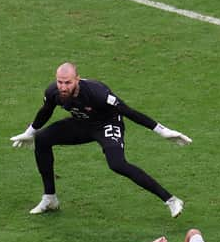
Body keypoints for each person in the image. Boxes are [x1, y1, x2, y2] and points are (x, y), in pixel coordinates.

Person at [10, 62, 191, 217]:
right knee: (41, 139)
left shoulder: (98, 93)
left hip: (107, 124)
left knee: (117, 164)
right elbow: (46, 111)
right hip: (81, 124)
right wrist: (30, 131)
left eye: (67, 82)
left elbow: (128, 111)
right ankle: (50, 198)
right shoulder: (54, 92)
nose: (63, 87)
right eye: (60, 82)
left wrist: (162, 131)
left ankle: (171, 200)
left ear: (77, 79)